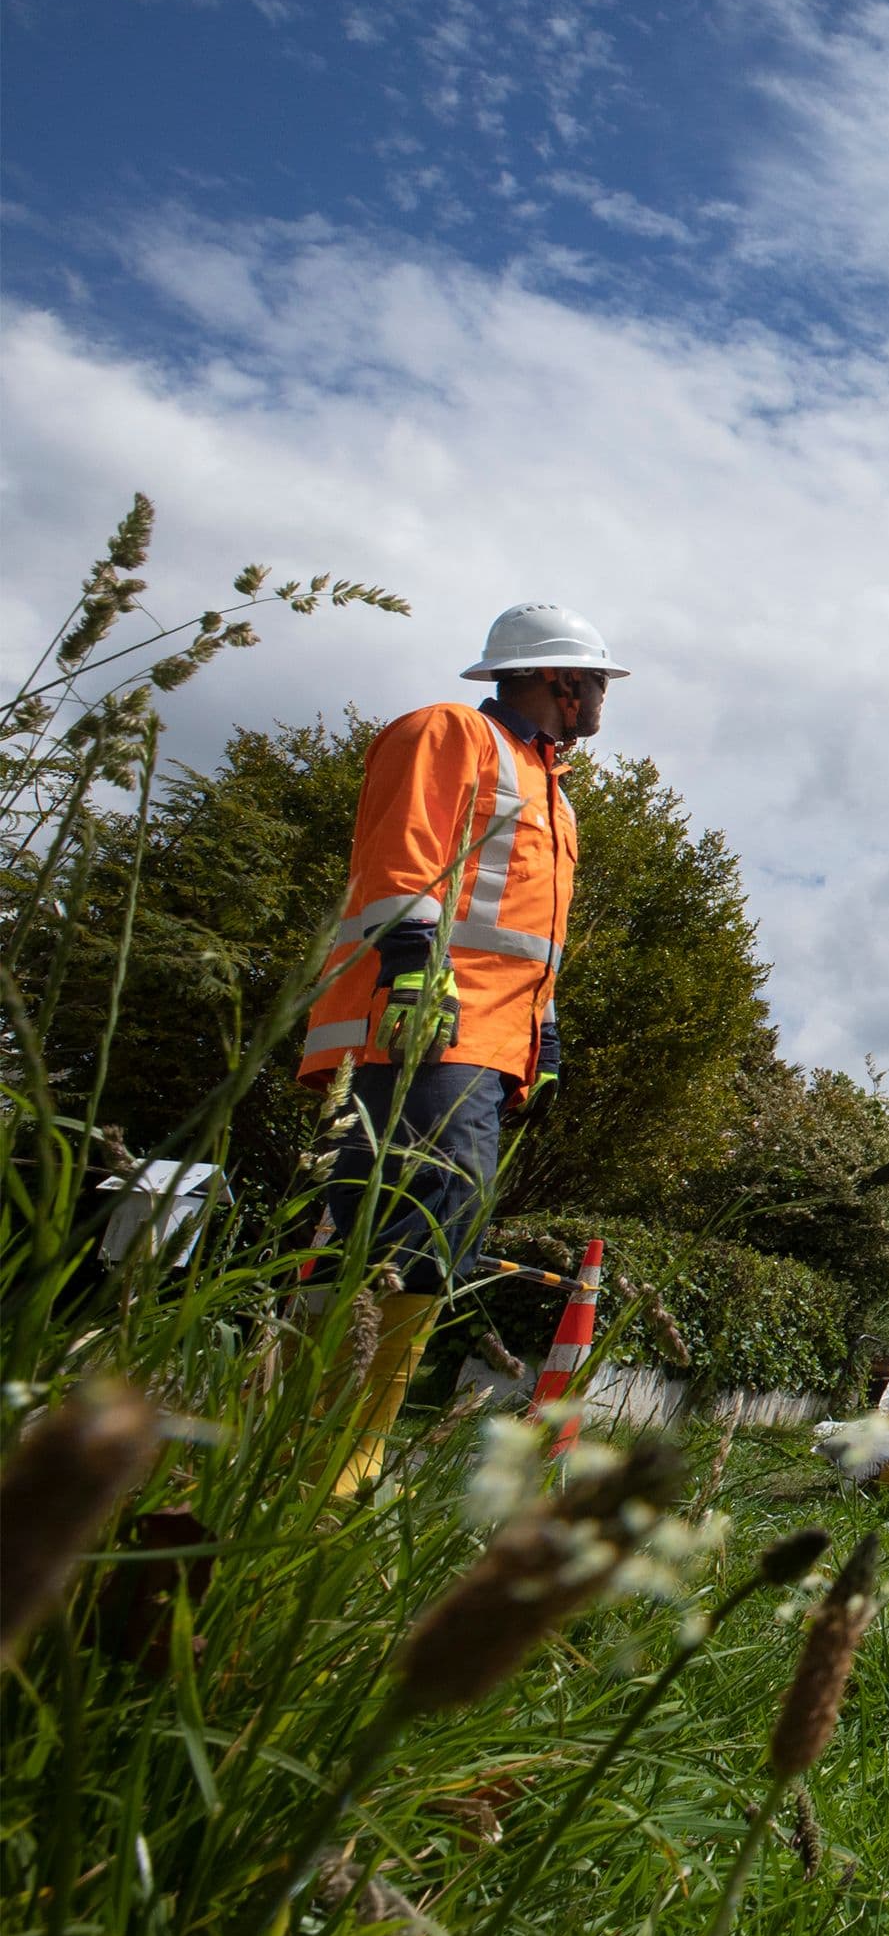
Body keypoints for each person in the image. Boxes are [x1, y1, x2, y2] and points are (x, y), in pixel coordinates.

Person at [299, 603, 620, 1492]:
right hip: (429, 1027)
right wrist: (409, 967)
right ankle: (330, 1460)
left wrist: (543, 1029)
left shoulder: (550, 789)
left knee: (430, 1236)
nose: (602, 698)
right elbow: (402, 857)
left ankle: (339, 1449)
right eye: (596, 680)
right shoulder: (449, 734)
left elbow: (530, 936)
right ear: (558, 679)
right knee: (400, 1235)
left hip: (489, 1041)